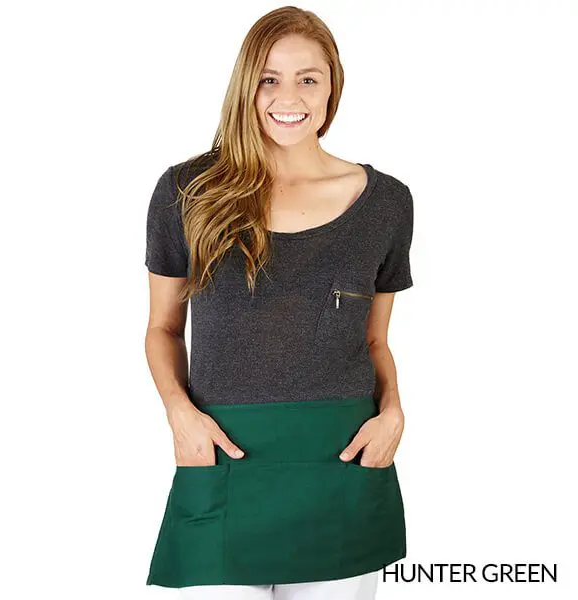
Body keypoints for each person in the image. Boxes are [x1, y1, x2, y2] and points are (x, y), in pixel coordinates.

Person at [143, 6, 414, 599]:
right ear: (246, 85)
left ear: (332, 86)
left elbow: (375, 339)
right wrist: (179, 413)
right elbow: (163, 329)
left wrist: (394, 411)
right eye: (269, 78)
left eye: (307, 78)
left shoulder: (387, 203)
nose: (288, 97)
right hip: (222, 454)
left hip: (342, 459)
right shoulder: (187, 192)